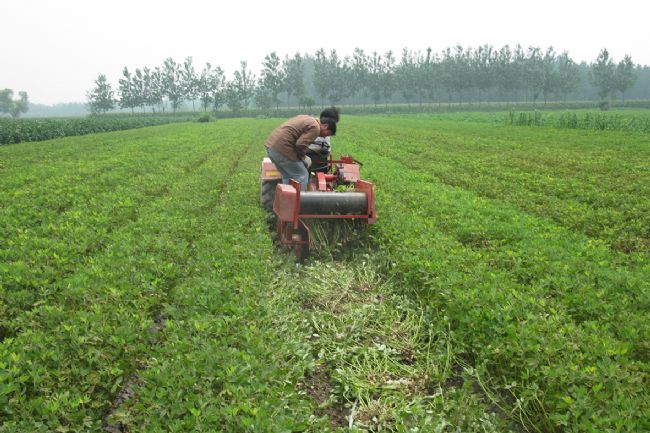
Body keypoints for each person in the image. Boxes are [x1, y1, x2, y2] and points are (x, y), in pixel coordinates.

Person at [264, 114, 337, 189]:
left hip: (272, 147)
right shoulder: (316, 128)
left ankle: (287, 199)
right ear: (325, 126)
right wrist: (304, 158)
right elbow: (300, 145)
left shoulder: (307, 119)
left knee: (287, 176)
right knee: (302, 175)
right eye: (327, 133)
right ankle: (299, 199)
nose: (325, 137)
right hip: (283, 148)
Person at [306, 107, 340, 173]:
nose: (334, 125)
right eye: (333, 122)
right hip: (309, 158)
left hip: (321, 162)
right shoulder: (314, 126)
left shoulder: (325, 130)